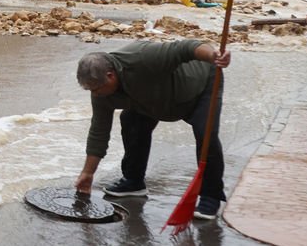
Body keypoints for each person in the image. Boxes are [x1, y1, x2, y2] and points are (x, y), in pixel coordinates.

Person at [74, 39, 232, 221]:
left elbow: (187, 47)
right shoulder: (101, 92)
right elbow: (99, 132)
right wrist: (88, 173)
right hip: (152, 100)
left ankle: (211, 195)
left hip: (198, 88)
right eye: (89, 90)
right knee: (131, 121)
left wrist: (213, 56)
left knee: (206, 135)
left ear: (110, 75)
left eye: (96, 89)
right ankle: (133, 181)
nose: (95, 94)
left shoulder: (142, 57)